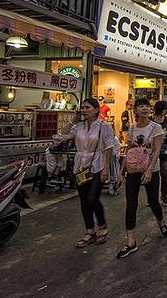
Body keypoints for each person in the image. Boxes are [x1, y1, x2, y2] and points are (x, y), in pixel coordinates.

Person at [54, 98, 117, 248]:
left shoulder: (103, 126)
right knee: (83, 200)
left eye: (87, 107)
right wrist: (73, 119)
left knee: (92, 198)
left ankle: (102, 225)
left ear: (96, 109)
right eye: (82, 107)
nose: (84, 110)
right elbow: (62, 137)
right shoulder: (79, 126)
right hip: (80, 167)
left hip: (97, 166)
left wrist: (105, 169)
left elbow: (109, 148)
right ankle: (89, 231)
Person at [117, 98, 167, 259]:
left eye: (147, 105)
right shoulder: (132, 128)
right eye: (141, 106)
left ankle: (160, 221)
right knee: (131, 204)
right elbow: (129, 150)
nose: (145, 108)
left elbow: (157, 150)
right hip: (133, 170)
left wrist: (149, 170)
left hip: (151, 170)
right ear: (135, 110)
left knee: (153, 202)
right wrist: (121, 171)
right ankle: (131, 241)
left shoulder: (156, 127)